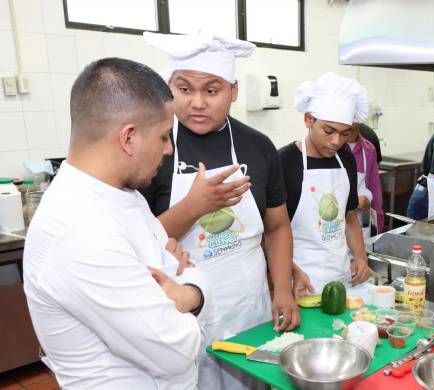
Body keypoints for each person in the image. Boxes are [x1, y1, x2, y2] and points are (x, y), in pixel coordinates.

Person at [23, 58, 209, 389]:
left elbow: (181, 268)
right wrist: (192, 295)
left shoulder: (127, 195)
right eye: (165, 137)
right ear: (129, 138)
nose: (168, 150)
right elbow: (177, 351)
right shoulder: (78, 230)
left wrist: (186, 292)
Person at [141, 31, 298, 389]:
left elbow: (276, 227)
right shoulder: (153, 148)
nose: (197, 102)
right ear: (169, 89)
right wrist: (194, 207)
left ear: (233, 91)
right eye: (184, 89)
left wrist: (283, 289)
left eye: (211, 91)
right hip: (180, 312)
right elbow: (137, 240)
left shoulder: (258, 147)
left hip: (247, 307)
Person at [278, 72, 372, 297]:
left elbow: (349, 218)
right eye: (328, 131)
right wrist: (289, 274)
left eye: (344, 133)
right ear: (309, 119)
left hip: (341, 277)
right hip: (299, 281)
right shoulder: (283, 161)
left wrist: (360, 257)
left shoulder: (346, 158)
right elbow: (270, 233)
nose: (336, 142)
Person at [346, 122, 384, 236]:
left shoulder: (369, 149)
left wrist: (379, 229)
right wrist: (353, 202)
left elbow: (376, 195)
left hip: (362, 223)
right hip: (337, 228)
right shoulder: (331, 148)